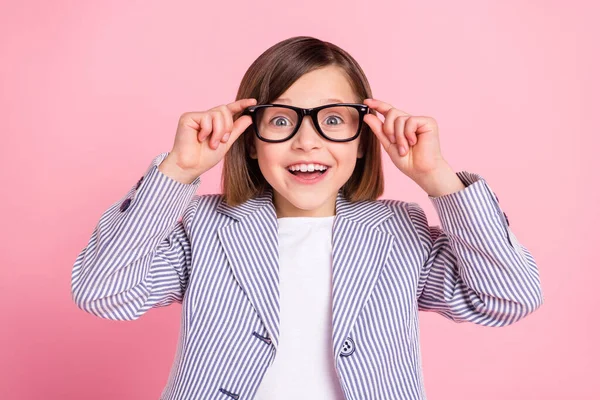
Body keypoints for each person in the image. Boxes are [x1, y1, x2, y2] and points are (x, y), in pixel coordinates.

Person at [70, 36, 543, 400]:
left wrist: (439, 180)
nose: (307, 141)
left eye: (333, 119)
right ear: (250, 139)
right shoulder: (203, 227)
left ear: (363, 139)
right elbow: (102, 292)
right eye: (281, 120)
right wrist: (177, 171)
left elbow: (508, 299)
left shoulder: (402, 232)